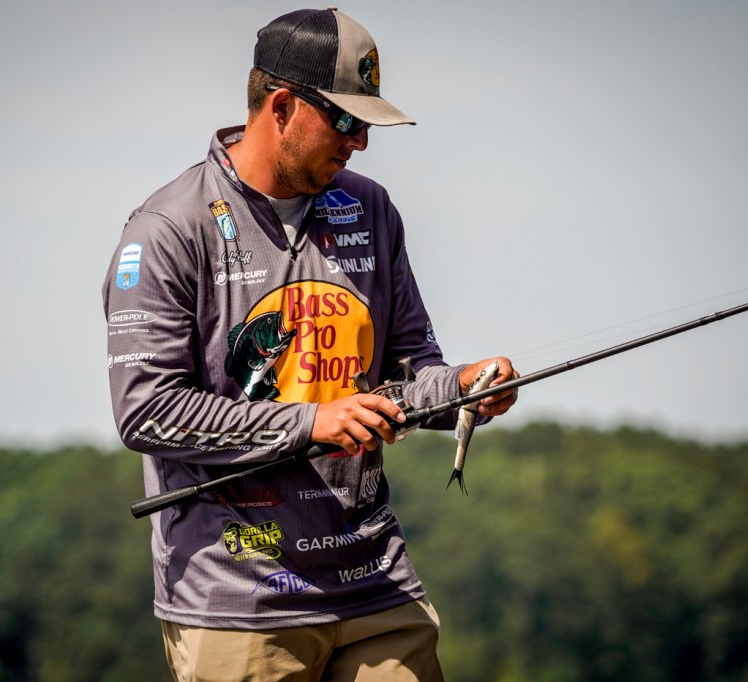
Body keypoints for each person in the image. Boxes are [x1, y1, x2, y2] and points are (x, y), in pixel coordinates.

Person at [103, 7, 519, 680]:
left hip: (374, 580)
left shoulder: (372, 209)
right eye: (346, 121)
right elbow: (148, 412)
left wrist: (465, 387)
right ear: (282, 106)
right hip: (238, 599)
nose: (360, 143)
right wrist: (313, 422)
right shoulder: (168, 228)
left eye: (367, 126)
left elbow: (410, 372)